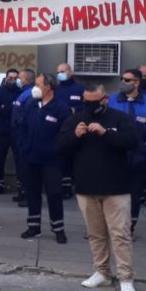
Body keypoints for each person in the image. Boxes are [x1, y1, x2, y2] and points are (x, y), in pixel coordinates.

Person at [61, 83, 138, 291]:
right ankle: (102, 272)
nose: (89, 106)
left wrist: (106, 134)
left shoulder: (120, 118)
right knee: (95, 234)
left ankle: (125, 278)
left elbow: (132, 142)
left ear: (105, 100)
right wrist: (75, 135)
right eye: (86, 102)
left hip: (116, 188)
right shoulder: (76, 119)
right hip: (86, 186)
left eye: (93, 102)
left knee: (120, 235)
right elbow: (60, 145)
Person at [19, 72, 69, 243]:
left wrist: (56, 150)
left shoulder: (61, 108)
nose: (35, 88)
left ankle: (58, 229)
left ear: (48, 87)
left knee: (54, 194)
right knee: (32, 193)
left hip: (52, 161)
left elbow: (65, 135)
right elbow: (23, 127)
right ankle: (34, 227)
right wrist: (24, 146)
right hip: (31, 158)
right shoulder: (31, 104)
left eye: (38, 85)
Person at [109, 68, 146, 233]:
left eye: (127, 80)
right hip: (114, 156)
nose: (123, 82)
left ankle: (130, 227)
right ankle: (108, 226)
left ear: (137, 83)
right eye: (122, 79)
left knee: (134, 195)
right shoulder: (112, 101)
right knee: (111, 193)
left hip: (138, 157)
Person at [55, 62, 83, 198]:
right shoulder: (55, 89)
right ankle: (64, 187)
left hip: (75, 129)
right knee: (61, 158)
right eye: (58, 72)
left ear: (70, 72)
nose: (60, 74)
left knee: (76, 158)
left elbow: (86, 106)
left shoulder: (80, 89)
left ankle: (79, 186)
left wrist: (74, 110)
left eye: (63, 71)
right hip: (58, 128)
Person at [0, 69, 21, 195]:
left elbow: (19, 111)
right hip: (1, 131)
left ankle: (21, 187)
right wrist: (11, 108)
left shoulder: (21, 92)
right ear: (6, 78)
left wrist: (7, 108)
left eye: (15, 78)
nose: (12, 80)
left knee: (20, 160)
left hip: (17, 132)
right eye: (10, 78)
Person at [10, 69, 36, 206]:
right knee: (20, 166)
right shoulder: (22, 93)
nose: (17, 80)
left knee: (26, 167)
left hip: (24, 135)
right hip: (18, 135)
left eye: (19, 78)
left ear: (26, 80)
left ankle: (28, 196)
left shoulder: (30, 94)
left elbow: (28, 115)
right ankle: (22, 193)